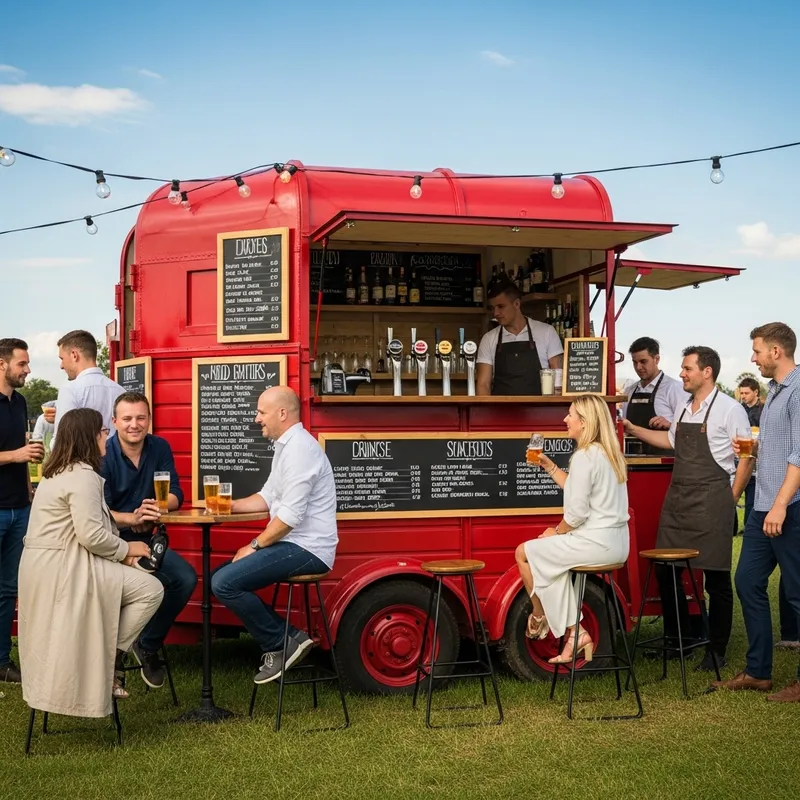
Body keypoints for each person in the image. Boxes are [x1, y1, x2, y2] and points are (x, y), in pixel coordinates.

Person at [17, 408, 163, 717]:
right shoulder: (82, 476)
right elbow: (92, 535)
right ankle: (108, 660)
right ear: (89, 436)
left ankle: (106, 657)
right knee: (151, 589)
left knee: (138, 585)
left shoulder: (58, 472)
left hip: (45, 567)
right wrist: (127, 549)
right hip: (66, 570)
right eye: (101, 432)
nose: (105, 437)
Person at [625, 346, 753, 671]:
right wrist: (632, 429)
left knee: (716, 579)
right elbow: (670, 441)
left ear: (706, 372)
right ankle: (678, 642)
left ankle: (717, 651)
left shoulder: (729, 409)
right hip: (679, 501)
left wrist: (731, 496)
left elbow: (746, 457)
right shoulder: (684, 406)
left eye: (687, 368)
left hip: (713, 500)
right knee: (668, 573)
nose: (681, 373)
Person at [211, 386, 337, 684]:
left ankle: (282, 642)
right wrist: (228, 506)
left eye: (261, 412)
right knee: (219, 575)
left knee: (224, 582)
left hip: (309, 549)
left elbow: (290, 517)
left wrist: (254, 546)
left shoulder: (300, 450)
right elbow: (268, 497)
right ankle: (286, 639)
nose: (257, 419)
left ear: (283, 413)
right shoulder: (285, 447)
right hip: (292, 544)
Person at [714, 323, 800, 701]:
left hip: (788, 508)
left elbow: (799, 455)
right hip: (760, 507)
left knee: (797, 594)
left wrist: (780, 505)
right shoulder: (775, 393)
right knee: (747, 581)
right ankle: (757, 671)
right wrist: (752, 448)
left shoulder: (798, 391)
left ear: (776, 352)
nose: (752, 358)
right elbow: (780, 449)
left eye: (757, 351)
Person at [514, 394, 629, 663]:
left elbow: (576, 513)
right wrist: (549, 465)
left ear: (585, 422)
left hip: (595, 543)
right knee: (550, 561)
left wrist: (557, 531)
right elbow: (577, 489)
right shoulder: (608, 453)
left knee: (524, 553)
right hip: (616, 544)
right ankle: (575, 633)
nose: (565, 419)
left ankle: (541, 616)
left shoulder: (585, 456)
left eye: (570, 415)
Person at [101, 391, 196, 688]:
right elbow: (98, 512)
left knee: (186, 579)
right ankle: (111, 657)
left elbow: (177, 494)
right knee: (144, 587)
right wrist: (133, 517)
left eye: (141, 417)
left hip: (150, 540)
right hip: (110, 543)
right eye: (127, 418)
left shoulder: (160, 446)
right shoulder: (103, 454)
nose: (134, 424)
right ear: (115, 421)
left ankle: (149, 644)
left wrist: (157, 507)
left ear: (149, 420)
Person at [0, 338, 44, 683]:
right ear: (2, 364)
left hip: (19, 508)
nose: (27, 370)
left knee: (7, 589)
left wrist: (29, 491)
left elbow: (21, 451)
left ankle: (1, 661)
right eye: (22, 364)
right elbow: (14, 453)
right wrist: (17, 455)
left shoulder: (20, 401)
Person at [476, 278, 563, 396]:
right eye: (492, 308)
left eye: (501, 306)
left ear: (517, 304)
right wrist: (485, 413)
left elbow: (558, 379)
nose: (495, 313)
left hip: (540, 411)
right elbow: (483, 385)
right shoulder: (489, 339)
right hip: (500, 412)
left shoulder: (546, 332)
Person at [52, 329, 124, 445]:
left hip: (87, 461)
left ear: (74, 355)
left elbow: (61, 441)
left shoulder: (70, 390)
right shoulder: (121, 391)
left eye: (62, 359)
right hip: (117, 461)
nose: (61, 366)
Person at [621, 337, 688, 455]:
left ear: (656, 359)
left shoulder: (674, 389)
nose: (638, 367)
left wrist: (670, 424)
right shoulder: (629, 391)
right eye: (634, 362)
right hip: (633, 462)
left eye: (643, 361)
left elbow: (689, 430)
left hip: (664, 465)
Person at [737, 377, 763, 530]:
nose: (743, 396)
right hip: (739, 455)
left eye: (746, 393)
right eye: (741, 393)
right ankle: (732, 526)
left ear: (756, 392)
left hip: (757, 457)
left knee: (752, 497)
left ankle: (749, 526)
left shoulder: (764, 410)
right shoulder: (738, 409)